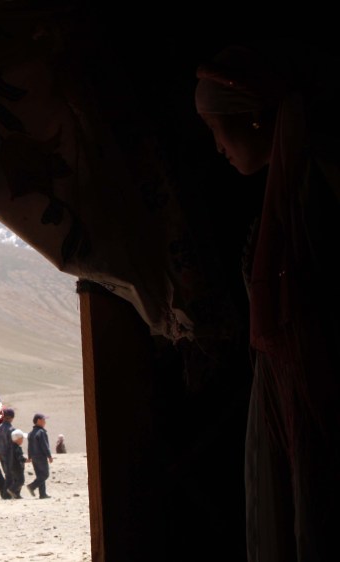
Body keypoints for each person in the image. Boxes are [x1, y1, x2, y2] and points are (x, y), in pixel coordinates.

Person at [194, 42, 340, 562]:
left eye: (217, 128)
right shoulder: (286, 195)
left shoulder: (320, 186)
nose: (216, 146)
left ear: (255, 119)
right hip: (281, 382)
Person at [26, 413, 53, 499]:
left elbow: (29, 446)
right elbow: (44, 445)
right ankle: (32, 486)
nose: (45, 422)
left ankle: (42, 494)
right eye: (43, 420)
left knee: (40, 475)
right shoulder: (41, 432)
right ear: (38, 421)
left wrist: (30, 456)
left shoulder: (31, 433)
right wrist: (49, 455)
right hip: (41, 457)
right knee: (45, 475)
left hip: (34, 457)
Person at [0, 407, 16, 499]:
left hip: (0, 454)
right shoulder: (11, 429)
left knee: (7, 474)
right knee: (10, 474)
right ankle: (6, 494)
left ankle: (6, 493)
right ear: (12, 417)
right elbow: (12, 444)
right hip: (8, 454)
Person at [7, 429, 27, 499]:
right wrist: (26, 460)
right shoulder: (17, 448)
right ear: (18, 439)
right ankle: (11, 489)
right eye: (22, 439)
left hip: (12, 466)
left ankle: (17, 494)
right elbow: (19, 457)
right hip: (17, 467)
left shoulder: (11, 446)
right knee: (21, 480)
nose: (22, 440)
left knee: (16, 480)